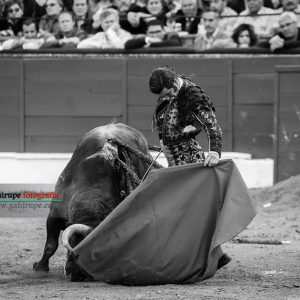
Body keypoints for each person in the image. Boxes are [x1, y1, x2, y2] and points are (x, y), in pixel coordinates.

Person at [148, 65, 230, 270]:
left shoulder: (192, 94)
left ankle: (208, 254)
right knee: (182, 209)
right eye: (164, 96)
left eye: (170, 93)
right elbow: (163, 118)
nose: (169, 97)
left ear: (174, 82)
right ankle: (211, 254)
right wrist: (162, 142)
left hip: (189, 158)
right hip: (173, 159)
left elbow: (213, 126)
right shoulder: (169, 90)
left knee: (190, 209)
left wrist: (214, 152)